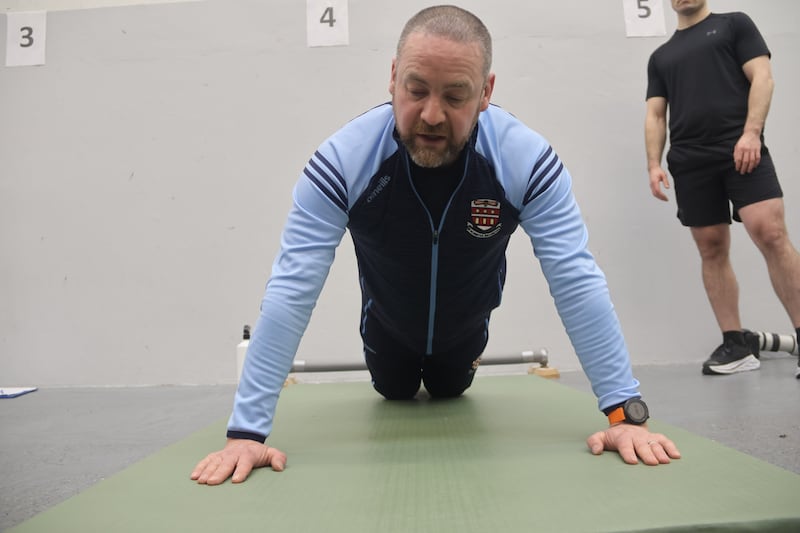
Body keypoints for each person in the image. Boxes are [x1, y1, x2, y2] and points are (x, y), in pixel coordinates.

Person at [191, 5, 681, 485]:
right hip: (386, 333)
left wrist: (624, 413)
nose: (430, 114)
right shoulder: (344, 162)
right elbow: (291, 289)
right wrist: (246, 432)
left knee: (449, 388)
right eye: (416, 90)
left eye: (455, 96)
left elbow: (575, 279)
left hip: (465, 335)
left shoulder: (524, 161)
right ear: (392, 77)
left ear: (486, 92)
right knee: (396, 390)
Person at [645, 0, 800, 378]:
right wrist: (653, 164)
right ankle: (735, 344)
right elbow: (655, 113)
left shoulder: (734, 25)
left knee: (771, 233)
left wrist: (751, 133)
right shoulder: (661, 56)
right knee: (711, 247)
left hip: (740, 147)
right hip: (690, 160)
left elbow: (762, 78)